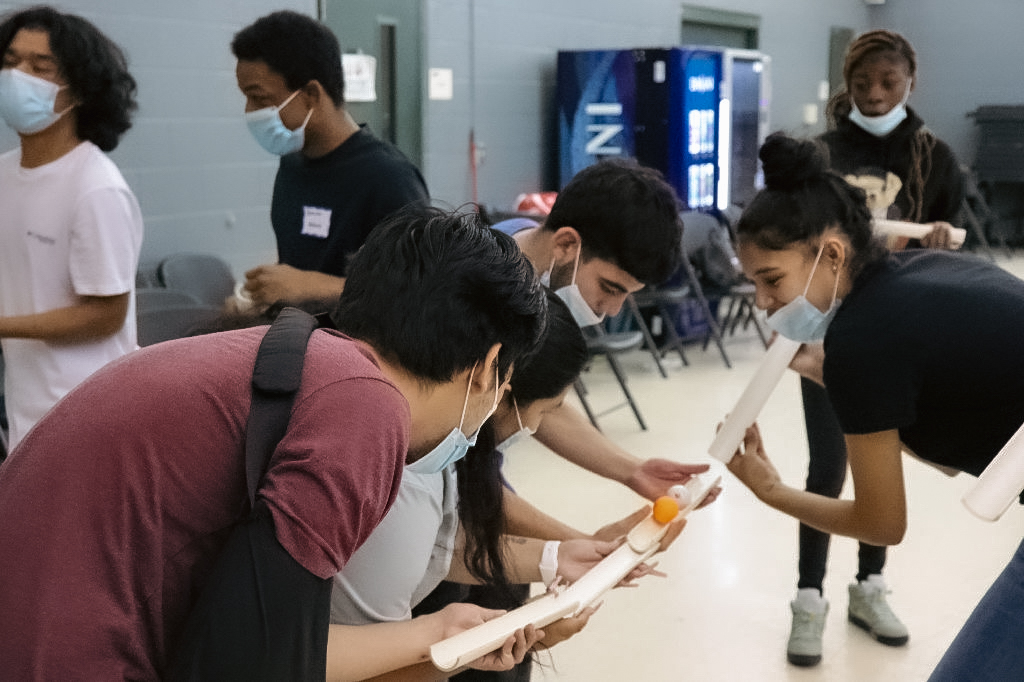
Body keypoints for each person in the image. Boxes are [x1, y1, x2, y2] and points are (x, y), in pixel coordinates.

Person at [0, 206, 548, 680]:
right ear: (487, 367)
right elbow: (256, 660)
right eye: (505, 387)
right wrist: (432, 642)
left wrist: (438, 633)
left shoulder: (307, 359)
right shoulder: (367, 406)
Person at [726, 132, 1024, 682]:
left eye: (772, 280)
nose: (764, 304)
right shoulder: (916, 271)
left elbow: (882, 524)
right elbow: (953, 449)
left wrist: (771, 491)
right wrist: (828, 375)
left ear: (831, 254)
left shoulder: (861, 341)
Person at [330, 291, 684, 681]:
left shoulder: (434, 454)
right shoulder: (401, 488)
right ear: (493, 379)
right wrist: (520, 638)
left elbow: (441, 548)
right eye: (546, 410)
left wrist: (556, 557)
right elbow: (369, 673)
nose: (535, 427)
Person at [785, 29, 967, 667]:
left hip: (898, 326)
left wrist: (938, 240)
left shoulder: (933, 156)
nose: (875, 94)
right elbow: (792, 229)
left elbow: (955, 243)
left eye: (889, 83)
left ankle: (870, 586)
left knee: (879, 463)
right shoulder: (821, 152)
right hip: (825, 324)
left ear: (910, 82)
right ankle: (808, 598)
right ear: (847, 85)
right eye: (862, 84)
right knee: (827, 464)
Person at [0, 6, 142, 449]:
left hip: (89, 414)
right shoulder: (3, 175)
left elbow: (105, 315)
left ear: (78, 90)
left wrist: (3, 325)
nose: (18, 76)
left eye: (40, 66)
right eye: (10, 62)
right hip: (26, 407)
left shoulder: (96, 187)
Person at [231, 10, 429, 307]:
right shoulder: (292, 165)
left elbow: (420, 293)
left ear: (311, 94)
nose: (250, 111)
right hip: (298, 334)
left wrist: (315, 286)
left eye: (259, 98)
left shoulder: (389, 178)